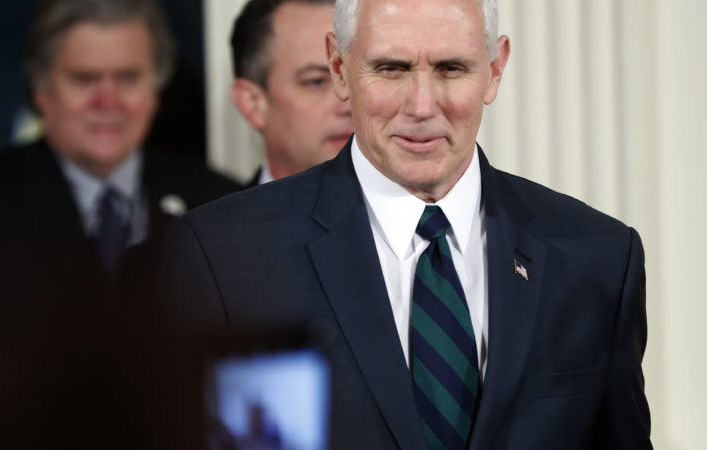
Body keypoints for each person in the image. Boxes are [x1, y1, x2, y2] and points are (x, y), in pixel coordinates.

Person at [160, 0, 652, 448]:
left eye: (451, 68)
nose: (421, 106)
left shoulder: (600, 258)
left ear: (496, 69)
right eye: (391, 69)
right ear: (339, 68)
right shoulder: (223, 257)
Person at [0, 0, 238, 373]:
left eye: (127, 78)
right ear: (40, 90)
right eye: (84, 78)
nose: (107, 101)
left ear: (155, 92)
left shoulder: (219, 200)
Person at [229, 0, 353, 185]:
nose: (350, 104)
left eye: (359, 77)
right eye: (316, 81)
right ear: (252, 103)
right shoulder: (221, 214)